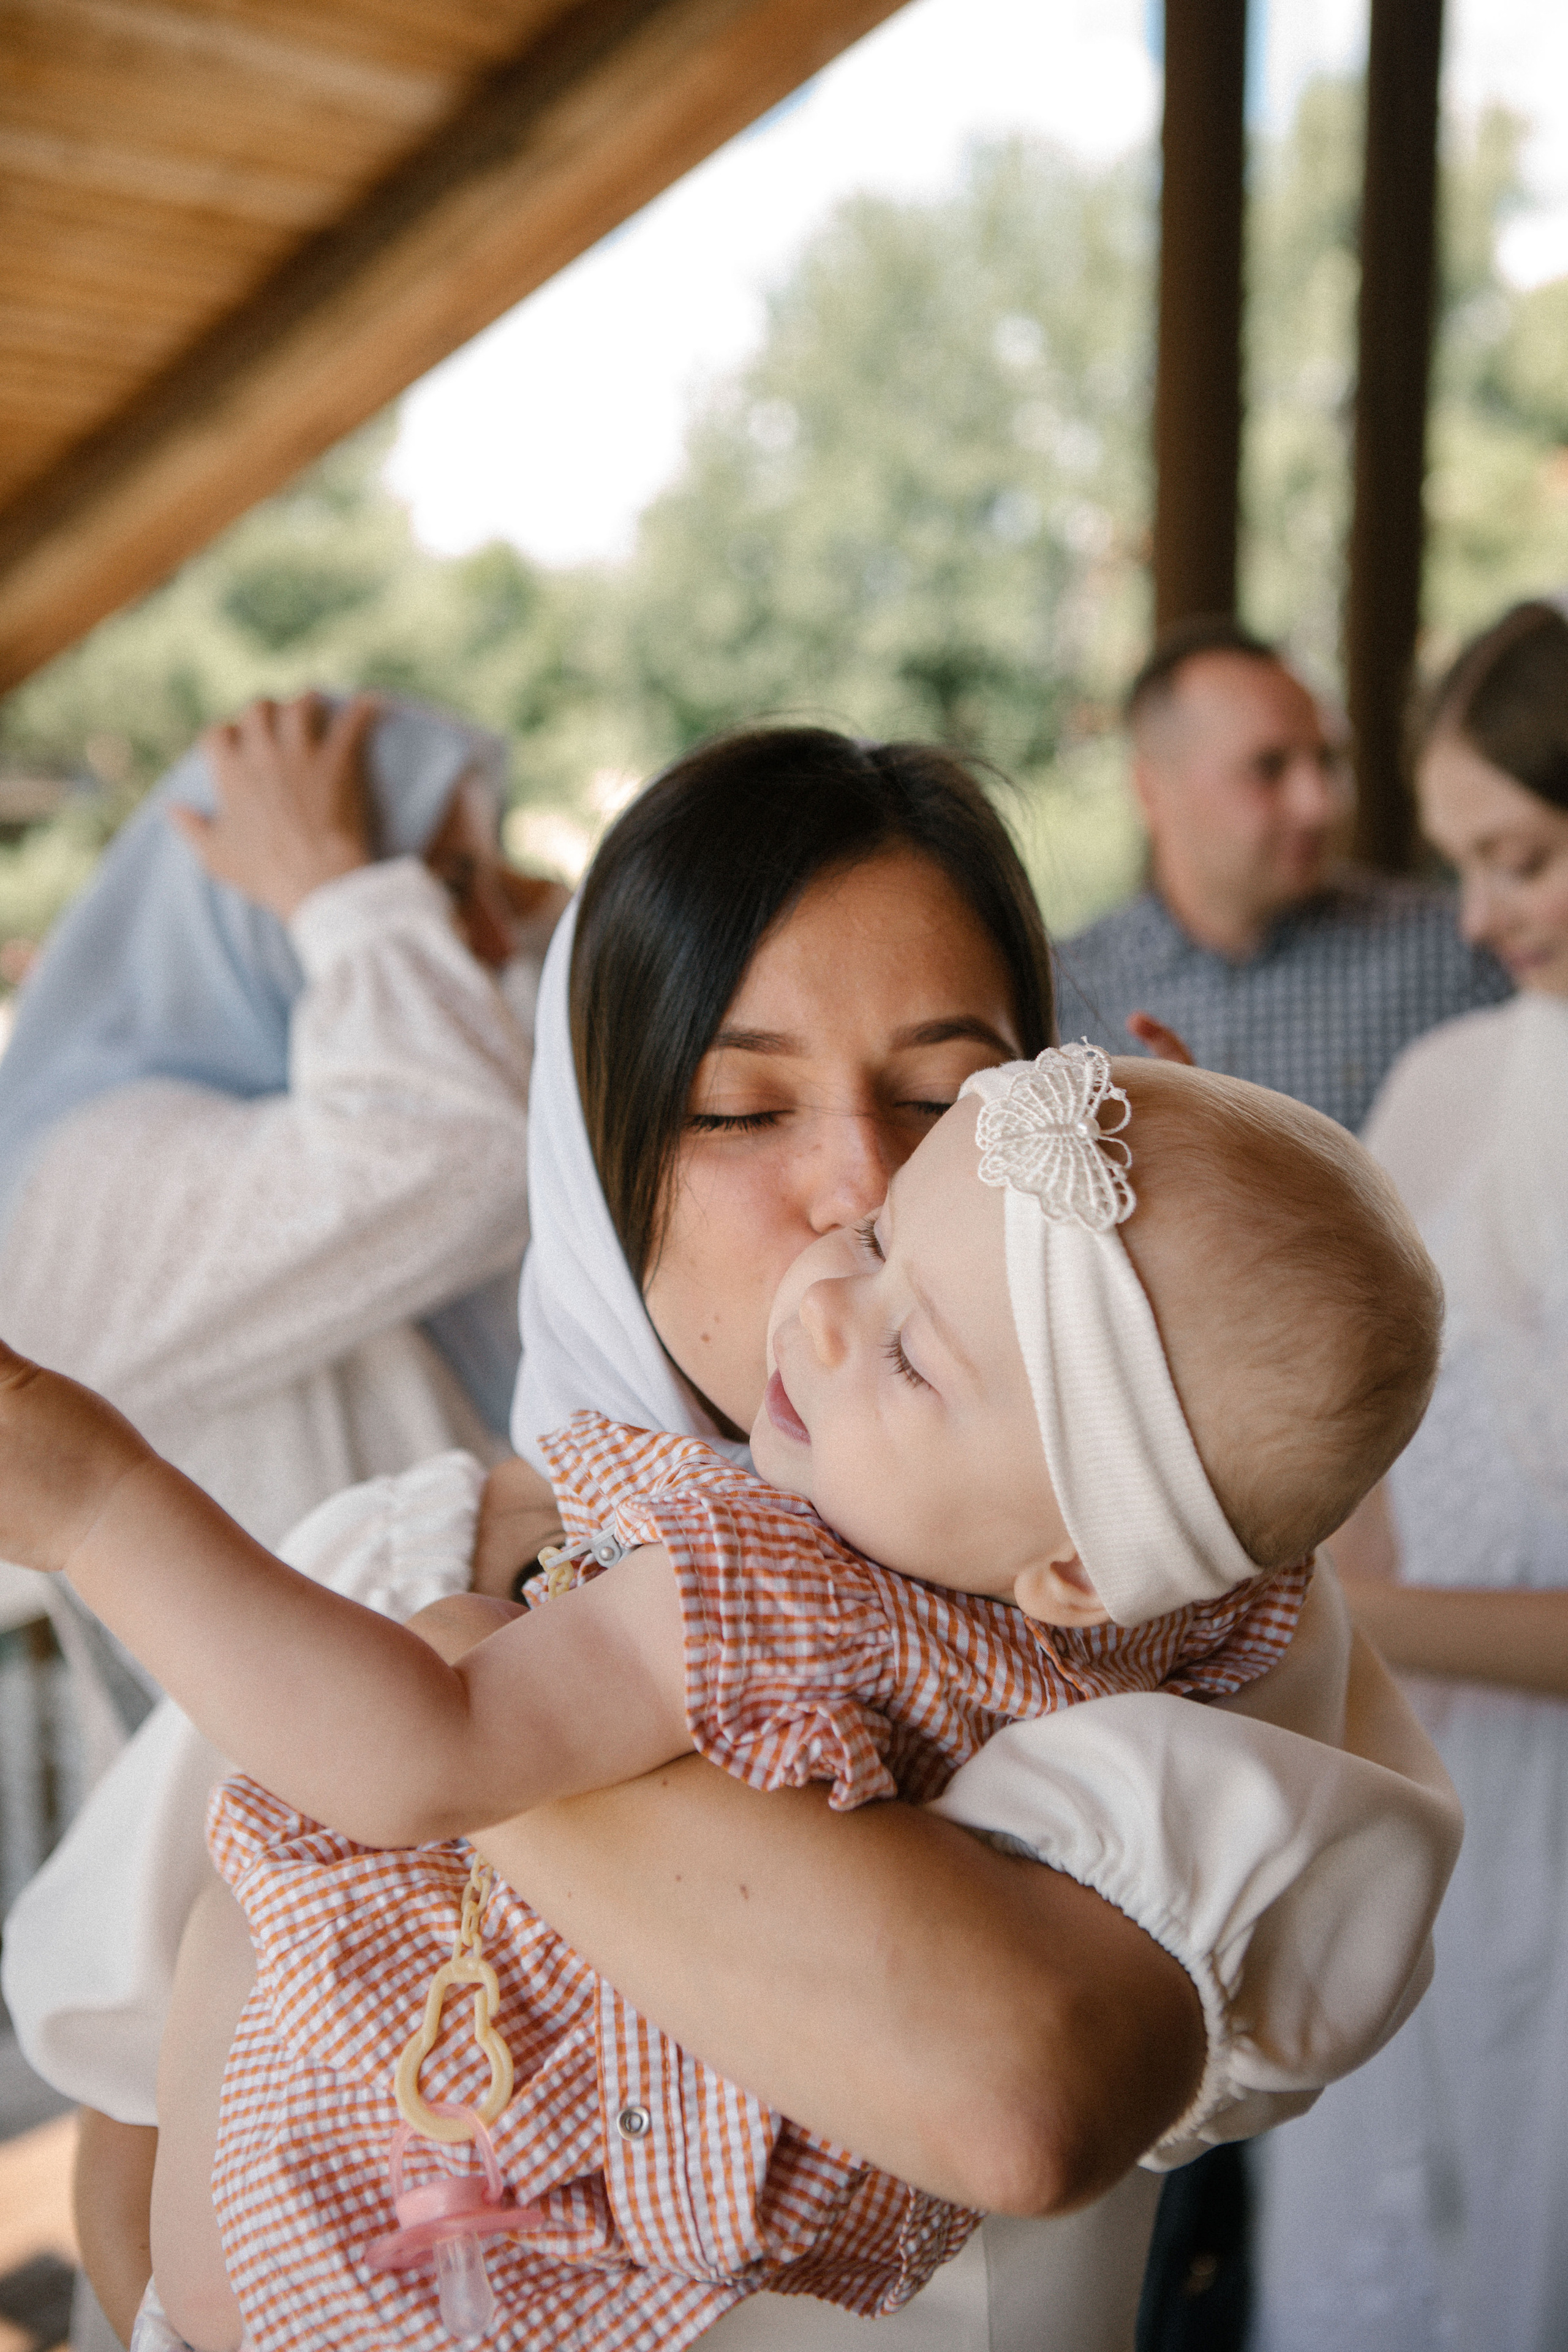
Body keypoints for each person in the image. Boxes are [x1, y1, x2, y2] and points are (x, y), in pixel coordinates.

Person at [4, 729, 1461, 2352]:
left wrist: (493, 1689)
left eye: (937, 1096)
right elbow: (126, 2120)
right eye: (737, 1108)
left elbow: (1024, 2091)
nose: (852, 1186)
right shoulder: (380, 1551)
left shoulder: (1168, 1626)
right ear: (601, 1152)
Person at [0, 689, 562, 2342]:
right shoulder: (79, 1183)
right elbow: (461, 1151)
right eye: (433, 876)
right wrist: (337, 887)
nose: (469, 924)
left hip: (422, 1796)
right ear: (237, 898)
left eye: (476, 878)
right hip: (272, 1852)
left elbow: (521, 1113)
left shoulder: (264, 1104)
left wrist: (418, 907)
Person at [1248, 600, 1568, 2352]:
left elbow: (1361, 1581)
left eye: (1521, 855)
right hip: (1401, 1799)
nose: (1481, 917)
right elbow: (1360, 1430)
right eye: (1462, 863)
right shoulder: (1443, 1083)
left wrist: (1355, 1615)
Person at [1055, 616, 1512, 1133]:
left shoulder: (1459, 954)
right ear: (1149, 789)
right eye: (1268, 767)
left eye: (1329, 760)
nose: (1318, 804)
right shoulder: (1062, 997)